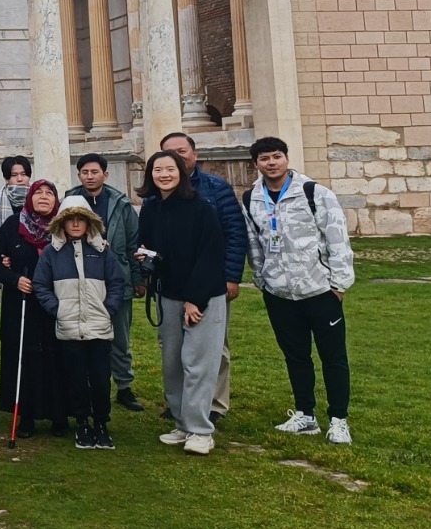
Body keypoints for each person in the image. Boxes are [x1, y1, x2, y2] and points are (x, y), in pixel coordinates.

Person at [243, 136, 356, 445]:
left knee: (333, 357)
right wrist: (262, 279)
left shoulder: (313, 192)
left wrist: (339, 283)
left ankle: (338, 418)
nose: (271, 163)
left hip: (320, 290)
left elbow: (336, 238)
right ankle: (306, 414)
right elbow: (254, 243)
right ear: (256, 164)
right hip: (279, 293)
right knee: (296, 356)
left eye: (276, 156)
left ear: (286, 158)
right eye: (265, 158)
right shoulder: (251, 197)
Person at [137, 150, 227, 456]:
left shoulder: (201, 208)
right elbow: (149, 247)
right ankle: (182, 423)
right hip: (167, 295)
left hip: (201, 297)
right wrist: (144, 257)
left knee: (198, 363)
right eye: (157, 170)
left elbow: (210, 255)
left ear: (182, 172)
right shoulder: (150, 210)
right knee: (172, 364)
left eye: (169, 169)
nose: (163, 175)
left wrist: (194, 300)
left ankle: (201, 430)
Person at [157, 132, 247, 424]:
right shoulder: (156, 195)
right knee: (173, 347)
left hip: (210, 282)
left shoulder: (216, 188)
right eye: (170, 153)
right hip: (172, 286)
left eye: (182, 151)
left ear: (195, 154)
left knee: (213, 347)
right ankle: (183, 404)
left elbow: (234, 233)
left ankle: (214, 405)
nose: (177, 158)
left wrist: (231, 277)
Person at [33, 195, 126, 451]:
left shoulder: (102, 252)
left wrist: (109, 309)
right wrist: (57, 309)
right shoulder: (53, 253)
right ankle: (82, 422)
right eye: (70, 220)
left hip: (99, 327)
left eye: (80, 220)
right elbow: (41, 284)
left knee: (99, 378)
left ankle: (101, 423)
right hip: (69, 327)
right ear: (61, 223)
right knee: (75, 379)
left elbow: (117, 283)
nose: (75, 224)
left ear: (89, 223)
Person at [0, 179, 70, 439]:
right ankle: (26, 415)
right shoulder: (14, 224)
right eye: (39, 193)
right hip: (21, 302)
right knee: (24, 356)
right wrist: (14, 279)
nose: (44, 197)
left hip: (56, 301)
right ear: (30, 198)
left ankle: (59, 414)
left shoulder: (64, 225)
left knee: (57, 355)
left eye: (49, 193)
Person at [67, 153, 143, 412]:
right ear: (79, 176)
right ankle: (87, 385)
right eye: (85, 172)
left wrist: (138, 278)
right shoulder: (70, 201)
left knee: (119, 338)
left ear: (105, 174)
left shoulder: (120, 203)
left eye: (95, 172)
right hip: (80, 280)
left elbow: (133, 243)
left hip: (117, 279)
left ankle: (124, 387)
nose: (90, 176)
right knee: (83, 335)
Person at [0, 156, 31, 233]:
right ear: (6, 178)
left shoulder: (37, 198)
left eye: (23, 174)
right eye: (14, 175)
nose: (19, 179)